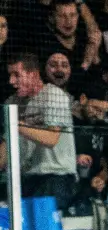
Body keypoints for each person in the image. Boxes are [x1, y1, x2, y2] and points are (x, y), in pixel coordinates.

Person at [8, 53, 78, 207]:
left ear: (33, 74)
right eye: (10, 75)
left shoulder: (54, 95)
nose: (11, 81)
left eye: (16, 75)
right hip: (27, 178)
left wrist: (16, 125)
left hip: (56, 178)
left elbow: (51, 138)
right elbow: (6, 144)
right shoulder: (14, 102)